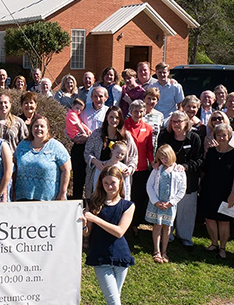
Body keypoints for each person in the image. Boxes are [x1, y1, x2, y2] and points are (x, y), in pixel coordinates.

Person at [82, 166, 135, 305]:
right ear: (101, 183)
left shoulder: (128, 206)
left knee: (113, 299)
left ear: (120, 182)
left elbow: (119, 231)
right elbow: (87, 233)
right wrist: (83, 225)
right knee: (114, 301)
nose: (109, 186)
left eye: (113, 183)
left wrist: (95, 219)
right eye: (106, 183)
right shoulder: (93, 203)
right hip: (100, 256)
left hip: (121, 256)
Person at [157, 111, 203, 247]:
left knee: (186, 209)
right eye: (173, 121)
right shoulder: (165, 136)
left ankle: (185, 236)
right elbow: (159, 154)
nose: (176, 124)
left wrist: (185, 167)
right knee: (168, 206)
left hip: (188, 180)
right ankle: (168, 234)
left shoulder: (194, 138)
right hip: (167, 180)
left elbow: (199, 159)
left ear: (186, 122)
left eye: (179, 121)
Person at [198, 123, 234, 259]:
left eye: (224, 135)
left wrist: (233, 194)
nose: (222, 137)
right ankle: (213, 243)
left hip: (226, 192)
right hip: (209, 190)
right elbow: (205, 170)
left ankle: (222, 247)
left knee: (224, 221)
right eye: (219, 135)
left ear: (229, 136)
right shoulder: (211, 151)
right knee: (209, 218)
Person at [84, 106, 137, 199]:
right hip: (100, 177)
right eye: (111, 117)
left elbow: (133, 156)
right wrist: (95, 162)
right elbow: (87, 153)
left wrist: (130, 168)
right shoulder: (97, 134)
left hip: (119, 180)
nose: (114, 120)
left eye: (117, 118)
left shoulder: (126, 136)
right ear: (106, 117)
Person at [14, 115, 71, 201]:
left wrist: (62, 193)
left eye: (42, 126)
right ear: (31, 128)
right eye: (36, 126)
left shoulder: (56, 146)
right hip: (22, 197)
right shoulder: (23, 145)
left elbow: (66, 169)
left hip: (48, 200)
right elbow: (14, 165)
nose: (38, 129)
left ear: (47, 129)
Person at [146, 144, 186, 264]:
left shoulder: (179, 170)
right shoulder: (157, 169)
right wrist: (156, 201)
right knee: (157, 226)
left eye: (166, 157)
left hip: (170, 205)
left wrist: (171, 203)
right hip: (157, 202)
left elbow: (182, 189)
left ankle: (164, 251)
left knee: (167, 227)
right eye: (162, 158)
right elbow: (149, 185)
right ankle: (156, 250)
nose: (164, 160)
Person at [124, 100, 154, 230]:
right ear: (130, 111)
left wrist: (152, 162)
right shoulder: (124, 125)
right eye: (135, 111)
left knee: (139, 196)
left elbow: (149, 148)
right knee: (125, 195)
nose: (138, 114)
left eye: (141, 111)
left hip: (141, 167)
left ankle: (135, 224)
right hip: (126, 166)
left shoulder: (148, 128)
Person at [66, 98, 92, 199]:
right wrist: (85, 133)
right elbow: (78, 125)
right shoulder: (71, 114)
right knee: (78, 174)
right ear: (72, 106)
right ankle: (78, 197)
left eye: (81, 110)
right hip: (77, 138)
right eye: (77, 108)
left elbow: (81, 124)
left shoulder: (75, 115)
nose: (79, 111)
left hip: (86, 141)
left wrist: (88, 131)